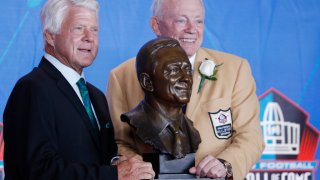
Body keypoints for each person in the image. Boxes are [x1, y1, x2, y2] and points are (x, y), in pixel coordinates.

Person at [106, 0, 265, 179]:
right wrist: (141, 171)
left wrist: (226, 164)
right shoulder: (121, 76)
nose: (192, 29)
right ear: (156, 25)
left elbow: (250, 137)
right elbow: (120, 142)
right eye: (181, 20)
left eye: (198, 21)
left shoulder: (235, 69)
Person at [3, 0, 154, 179]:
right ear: (50, 36)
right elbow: (38, 170)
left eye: (94, 29)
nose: (89, 37)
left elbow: (99, 159)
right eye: (79, 28)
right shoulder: (32, 89)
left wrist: (121, 164)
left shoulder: (96, 96)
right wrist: (112, 175)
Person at [121, 37, 201, 159]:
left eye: (187, 70)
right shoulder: (136, 122)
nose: (186, 78)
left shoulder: (191, 131)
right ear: (147, 82)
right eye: (174, 70)